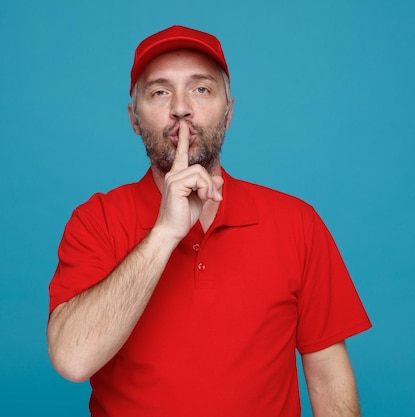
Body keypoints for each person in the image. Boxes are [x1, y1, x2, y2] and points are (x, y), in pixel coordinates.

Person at [47, 25, 371, 417]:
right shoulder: (96, 220)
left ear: (229, 112)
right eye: (159, 91)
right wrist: (164, 234)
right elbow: (73, 360)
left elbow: (328, 378)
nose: (181, 107)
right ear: (134, 119)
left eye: (201, 89)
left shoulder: (297, 223)